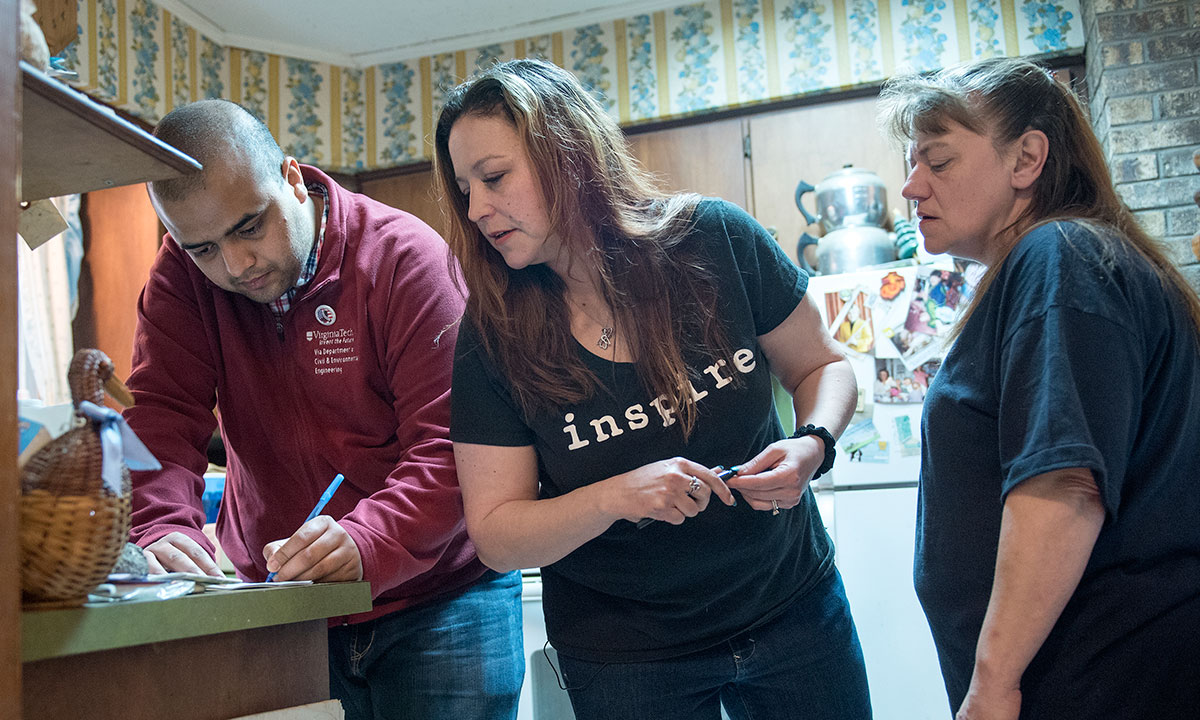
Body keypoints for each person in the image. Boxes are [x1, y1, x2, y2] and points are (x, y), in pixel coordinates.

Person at [433, 58, 871, 720]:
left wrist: (813, 444)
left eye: (493, 178)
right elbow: (496, 533)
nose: (477, 209)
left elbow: (823, 365)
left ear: (567, 152)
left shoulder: (716, 238)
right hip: (627, 660)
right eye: (465, 189)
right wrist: (615, 497)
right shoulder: (491, 337)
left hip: (793, 614)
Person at [124, 99, 524, 720]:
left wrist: (370, 539)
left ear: (290, 176)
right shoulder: (182, 279)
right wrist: (158, 528)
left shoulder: (405, 259)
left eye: (249, 227)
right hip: (285, 606)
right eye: (202, 247)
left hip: (443, 599)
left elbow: (454, 446)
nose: (235, 265)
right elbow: (155, 420)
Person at [879, 57, 1200, 720]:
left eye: (936, 162)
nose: (910, 188)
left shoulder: (1059, 258)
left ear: (1027, 159)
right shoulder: (1072, 259)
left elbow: (1063, 486)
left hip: (1098, 677)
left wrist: (991, 685)